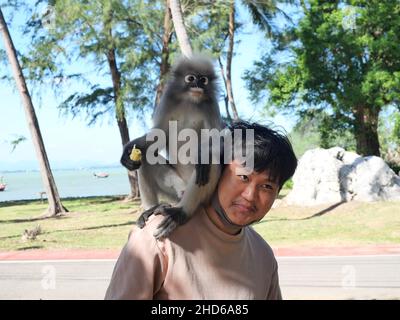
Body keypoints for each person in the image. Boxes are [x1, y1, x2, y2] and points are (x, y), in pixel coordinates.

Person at [105, 121, 297, 300]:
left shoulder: (263, 255)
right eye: (243, 177)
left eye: (267, 187)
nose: (250, 195)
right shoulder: (159, 239)